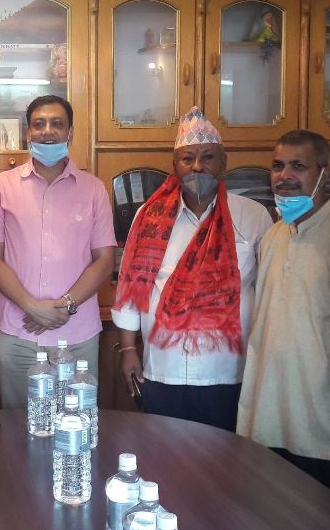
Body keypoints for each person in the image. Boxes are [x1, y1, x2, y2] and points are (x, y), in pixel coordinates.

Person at [113, 106, 272, 432]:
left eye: (207, 157)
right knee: (164, 451)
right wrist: (128, 349)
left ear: (223, 162)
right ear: (175, 165)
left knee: (224, 454)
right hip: (163, 366)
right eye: (188, 159)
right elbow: (132, 286)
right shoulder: (149, 217)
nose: (197, 166)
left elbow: (269, 291)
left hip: (228, 368)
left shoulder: (253, 216)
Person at [235, 130, 330, 501]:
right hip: (266, 417)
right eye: (277, 166)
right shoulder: (273, 236)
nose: (284, 176)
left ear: (324, 173)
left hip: (323, 427)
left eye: (298, 166)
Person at [0, 95, 116, 409]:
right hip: (17, 334)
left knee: (77, 423)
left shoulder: (93, 189)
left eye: (57, 123)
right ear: (28, 132)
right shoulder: (0, 186)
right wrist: (32, 306)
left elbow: (104, 261)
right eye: (39, 124)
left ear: (70, 132)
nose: (48, 131)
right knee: (19, 424)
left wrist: (64, 306)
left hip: (77, 336)